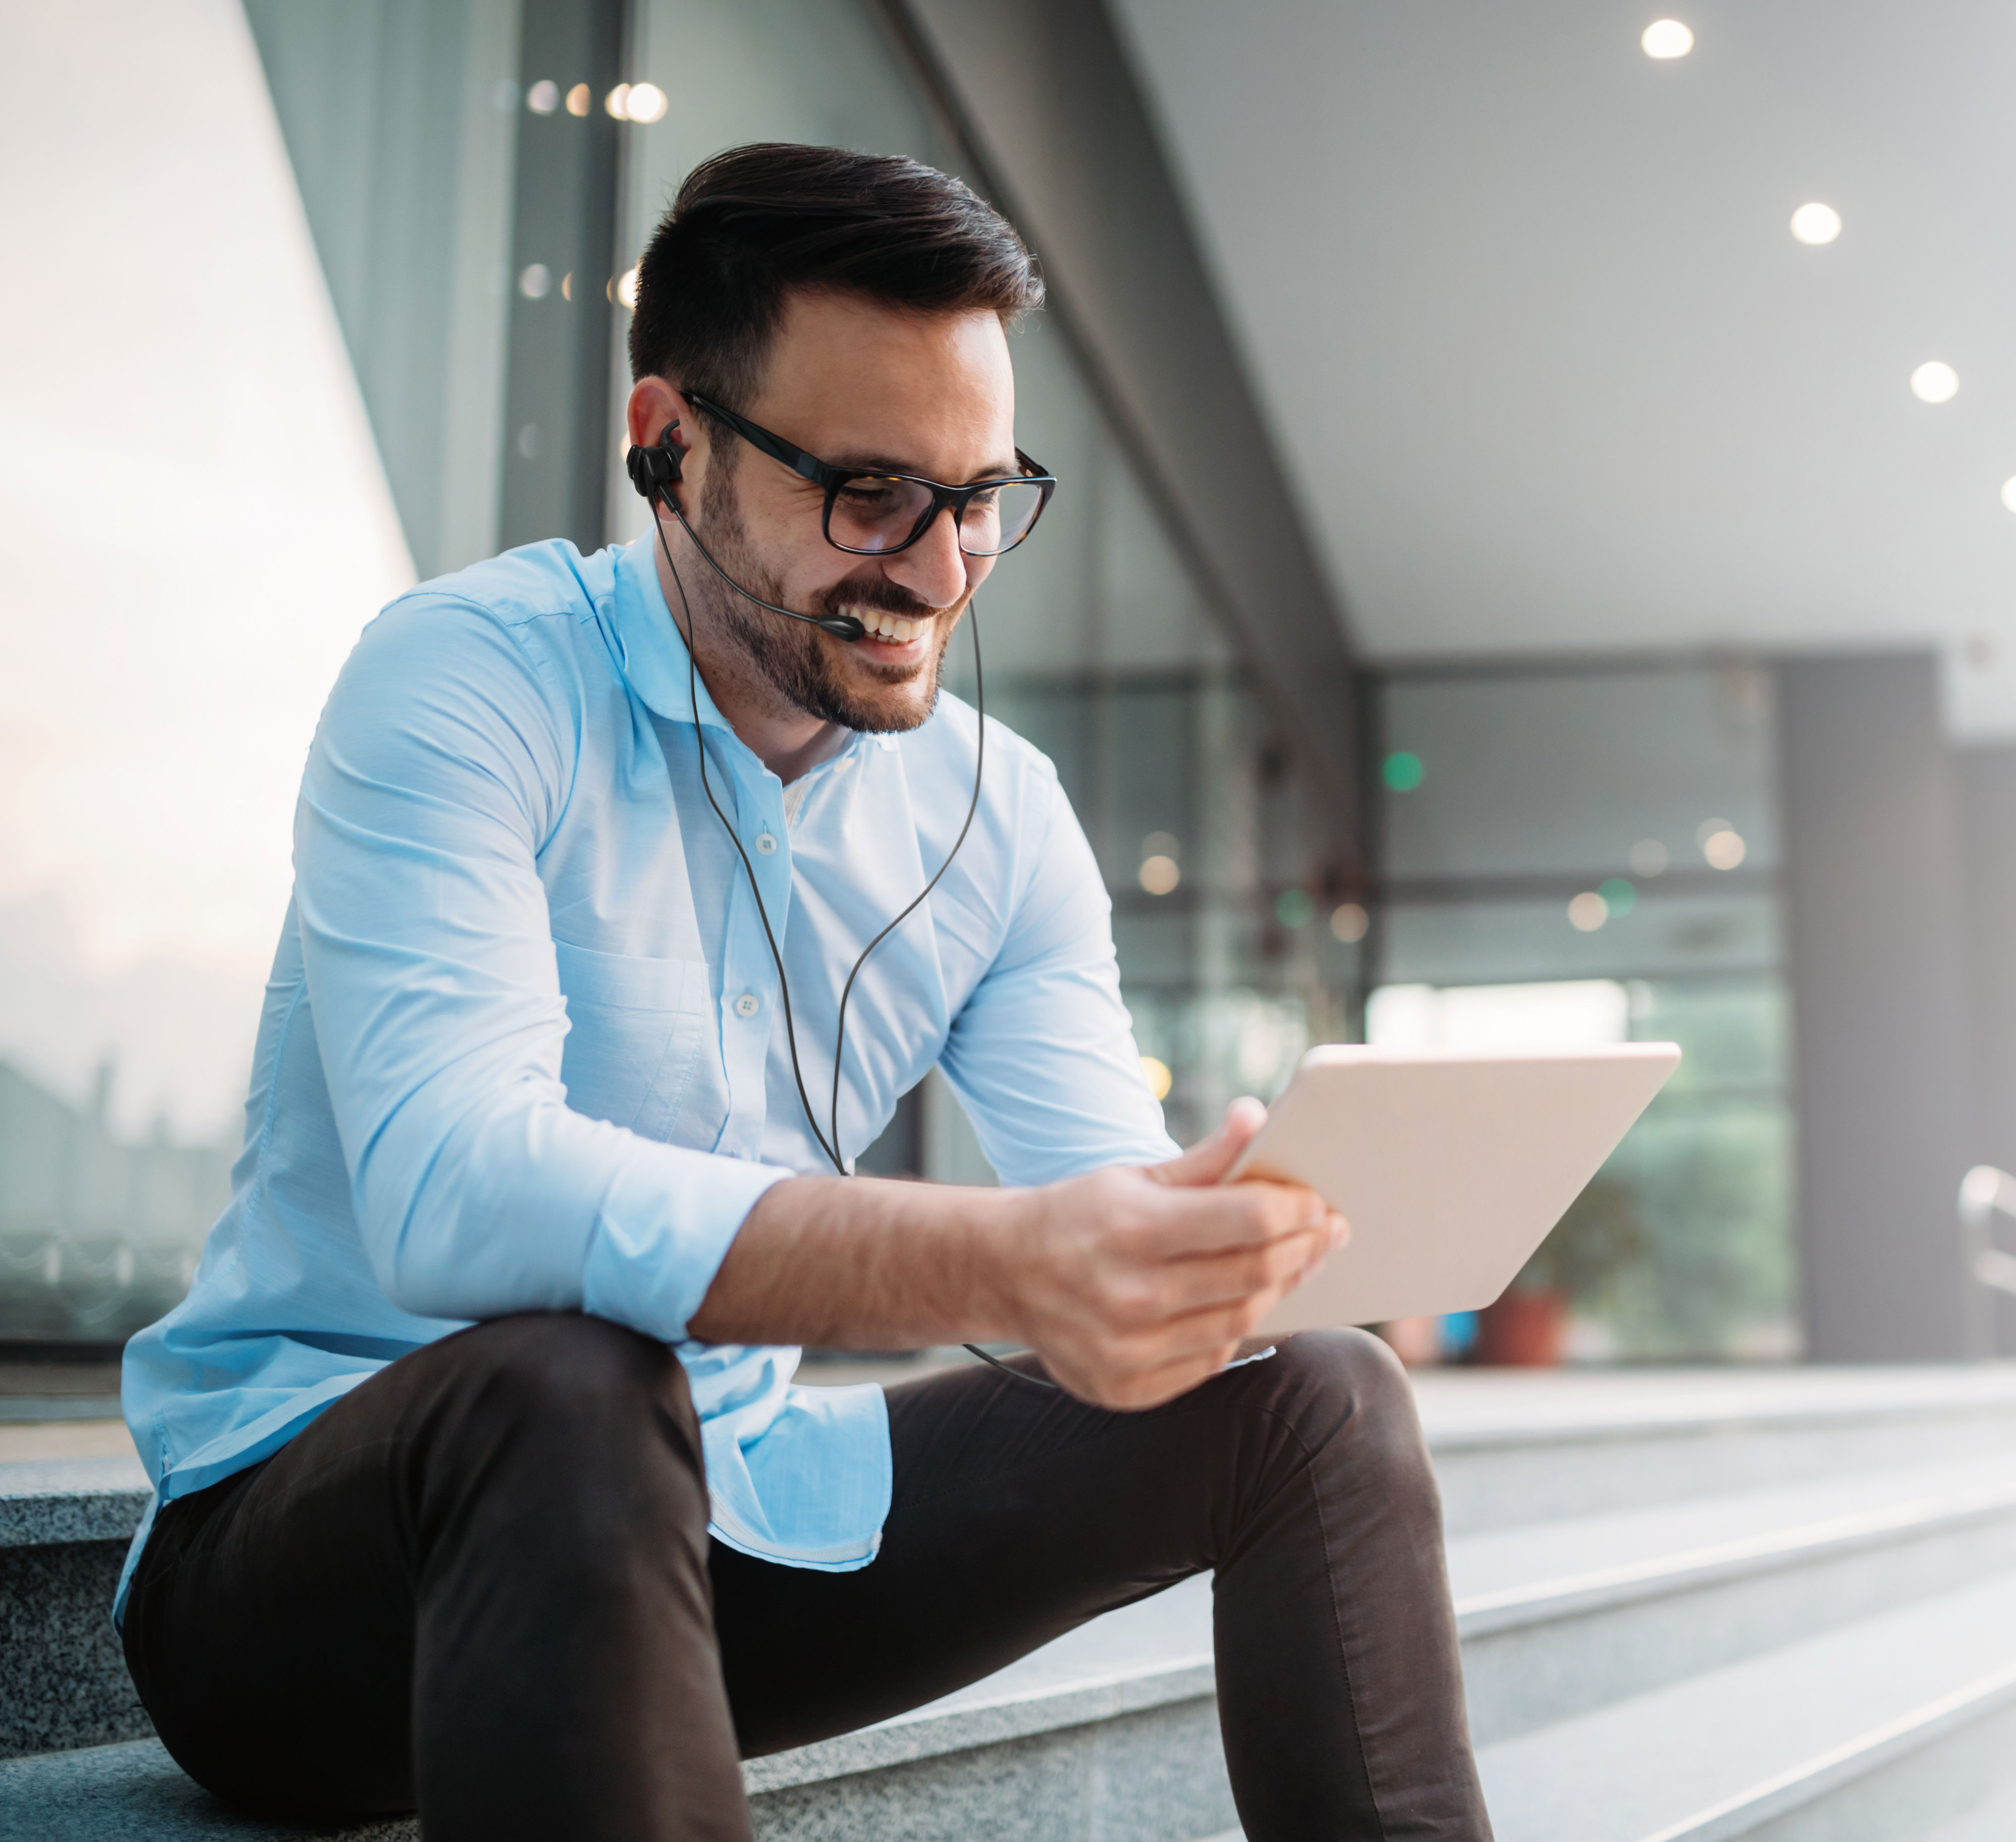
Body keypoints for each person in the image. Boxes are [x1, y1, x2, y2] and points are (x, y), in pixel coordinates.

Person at [114, 142, 1491, 1841]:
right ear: (666, 446)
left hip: (729, 1523)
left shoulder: (999, 816)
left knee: (1319, 1395)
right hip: (310, 1573)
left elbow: (1098, 1222)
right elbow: (452, 1192)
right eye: (868, 492)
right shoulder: (468, 678)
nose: (936, 569)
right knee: (569, 1374)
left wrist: (1226, 1258)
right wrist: (1003, 1256)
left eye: (980, 496)